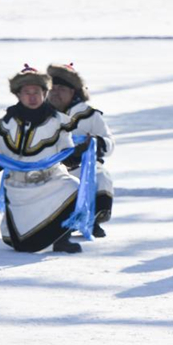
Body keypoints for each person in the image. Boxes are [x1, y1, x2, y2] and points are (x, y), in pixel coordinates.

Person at [0, 65, 88, 254]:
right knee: (22, 245)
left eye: (36, 92)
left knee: (73, 186)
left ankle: (61, 239)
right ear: (18, 95)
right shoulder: (6, 123)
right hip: (18, 187)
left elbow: (67, 153)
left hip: (50, 182)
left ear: (45, 93)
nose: (32, 97)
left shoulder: (59, 122)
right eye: (27, 93)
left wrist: (76, 154)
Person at [47, 63, 115, 238]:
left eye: (61, 89)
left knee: (100, 176)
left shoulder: (90, 115)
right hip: (50, 167)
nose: (55, 92)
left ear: (73, 92)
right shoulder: (40, 114)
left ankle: (94, 218)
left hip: (83, 166)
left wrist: (95, 144)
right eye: (52, 88)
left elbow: (109, 143)